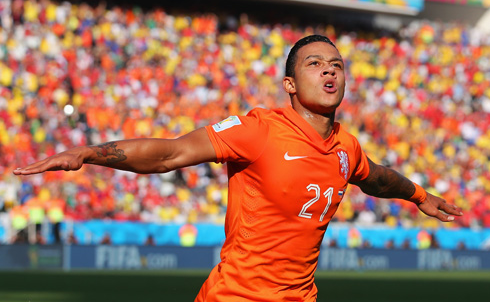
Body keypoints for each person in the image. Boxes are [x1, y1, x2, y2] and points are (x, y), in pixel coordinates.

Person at [14, 35, 463, 301]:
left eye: (337, 66)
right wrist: (89, 154)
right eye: (315, 64)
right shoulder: (260, 130)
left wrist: (420, 197)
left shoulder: (347, 145)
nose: (329, 72)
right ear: (290, 83)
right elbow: (170, 153)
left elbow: (376, 176)